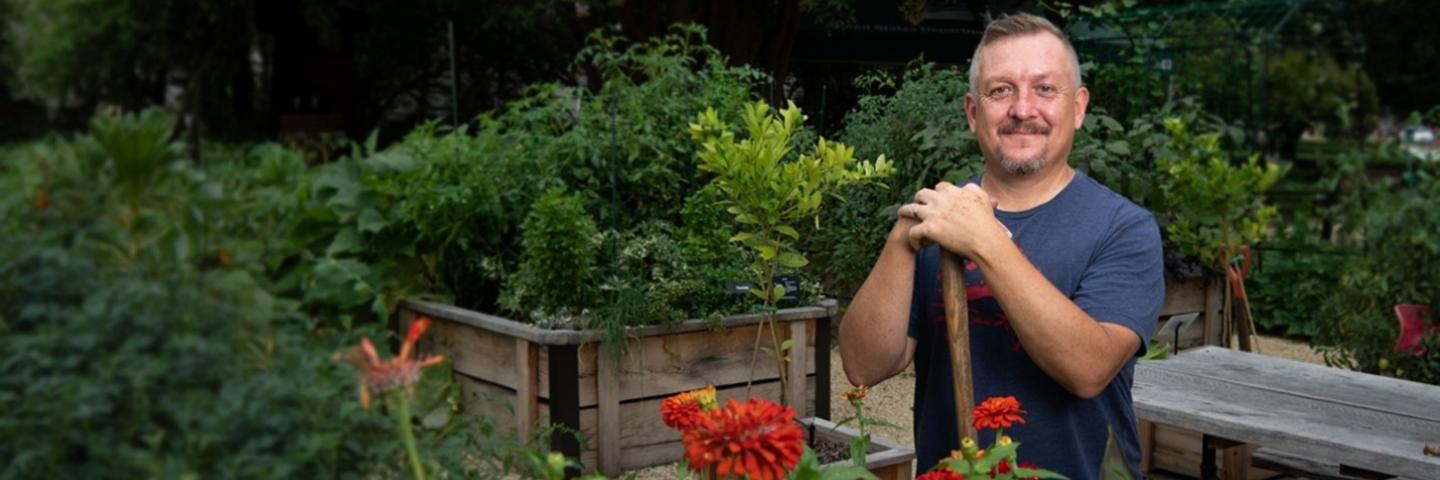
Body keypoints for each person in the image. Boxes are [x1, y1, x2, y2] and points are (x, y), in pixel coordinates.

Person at [838, 12, 1164, 480]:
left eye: (1045, 89)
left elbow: (1088, 368)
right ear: (973, 113)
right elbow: (862, 366)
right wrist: (902, 239)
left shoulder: (1122, 228)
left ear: (1078, 107)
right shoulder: (940, 220)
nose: (1022, 109)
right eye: (1000, 90)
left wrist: (987, 241)